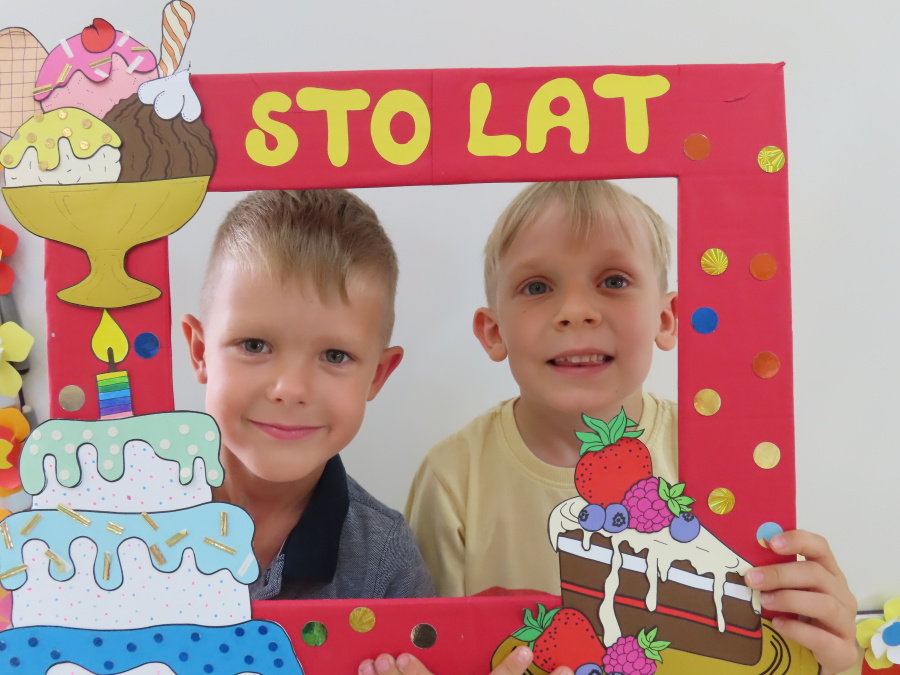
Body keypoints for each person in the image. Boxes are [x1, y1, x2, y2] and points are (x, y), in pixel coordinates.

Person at [404, 181, 859, 675]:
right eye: (537, 287)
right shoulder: (453, 477)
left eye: (614, 281)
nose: (576, 311)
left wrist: (834, 662)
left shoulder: (724, 456)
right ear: (494, 332)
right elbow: (432, 651)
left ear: (666, 319)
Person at [182, 189, 433, 600]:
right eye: (255, 345)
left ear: (377, 375)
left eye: (335, 355)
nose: (291, 389)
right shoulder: (118, 502)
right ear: (200, 352)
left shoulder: (386, 561)